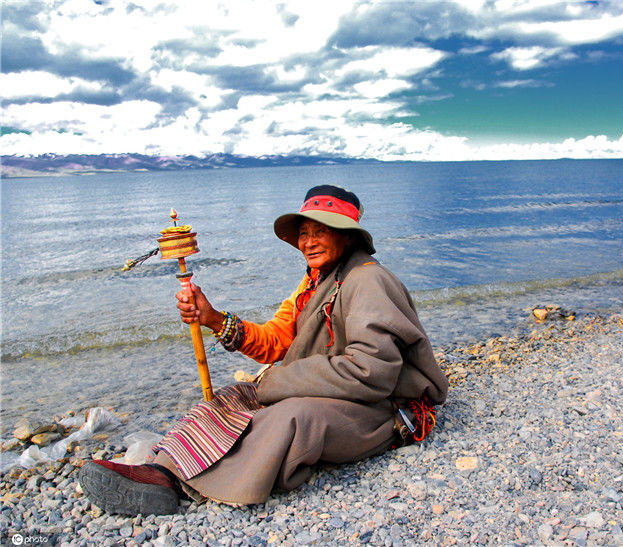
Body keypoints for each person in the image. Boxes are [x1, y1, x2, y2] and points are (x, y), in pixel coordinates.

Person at [78, 185, 448, 515]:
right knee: (232, 397)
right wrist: (212, 318)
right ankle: (162, 468)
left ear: (347, 237)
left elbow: (371, 372)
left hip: (384, 409)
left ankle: (185, 486)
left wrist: (280, 382)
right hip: (347, 394)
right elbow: (275, 341)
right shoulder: (313, 284)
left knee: (293, 416)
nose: (309, 241)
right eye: (304, 233)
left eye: (321, 231)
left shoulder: (369, 280)